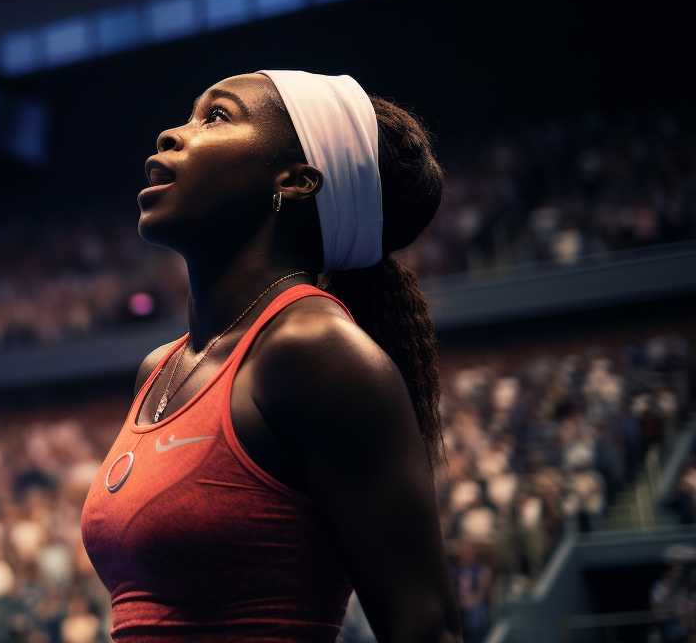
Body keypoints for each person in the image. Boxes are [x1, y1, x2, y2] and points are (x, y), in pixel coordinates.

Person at [80, 70, 462, 641]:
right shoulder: (159, 368)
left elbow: (426, 627)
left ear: (297, 180)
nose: (170, 134)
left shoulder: (314, 353)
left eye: (216, 116)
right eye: (189, 115)